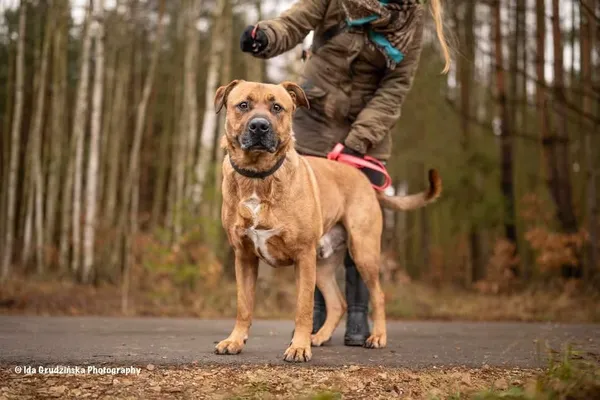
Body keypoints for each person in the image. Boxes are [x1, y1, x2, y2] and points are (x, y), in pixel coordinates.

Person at [239, 0, 451, 346]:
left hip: (368, 126)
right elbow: (293, 24)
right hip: (313, 118)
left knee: (359, 229)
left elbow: (395, 88)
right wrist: (265, 36)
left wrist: (357, 143)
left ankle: (358, 311)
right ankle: (319, 312)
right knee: (308, 226)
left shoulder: (411, 20)